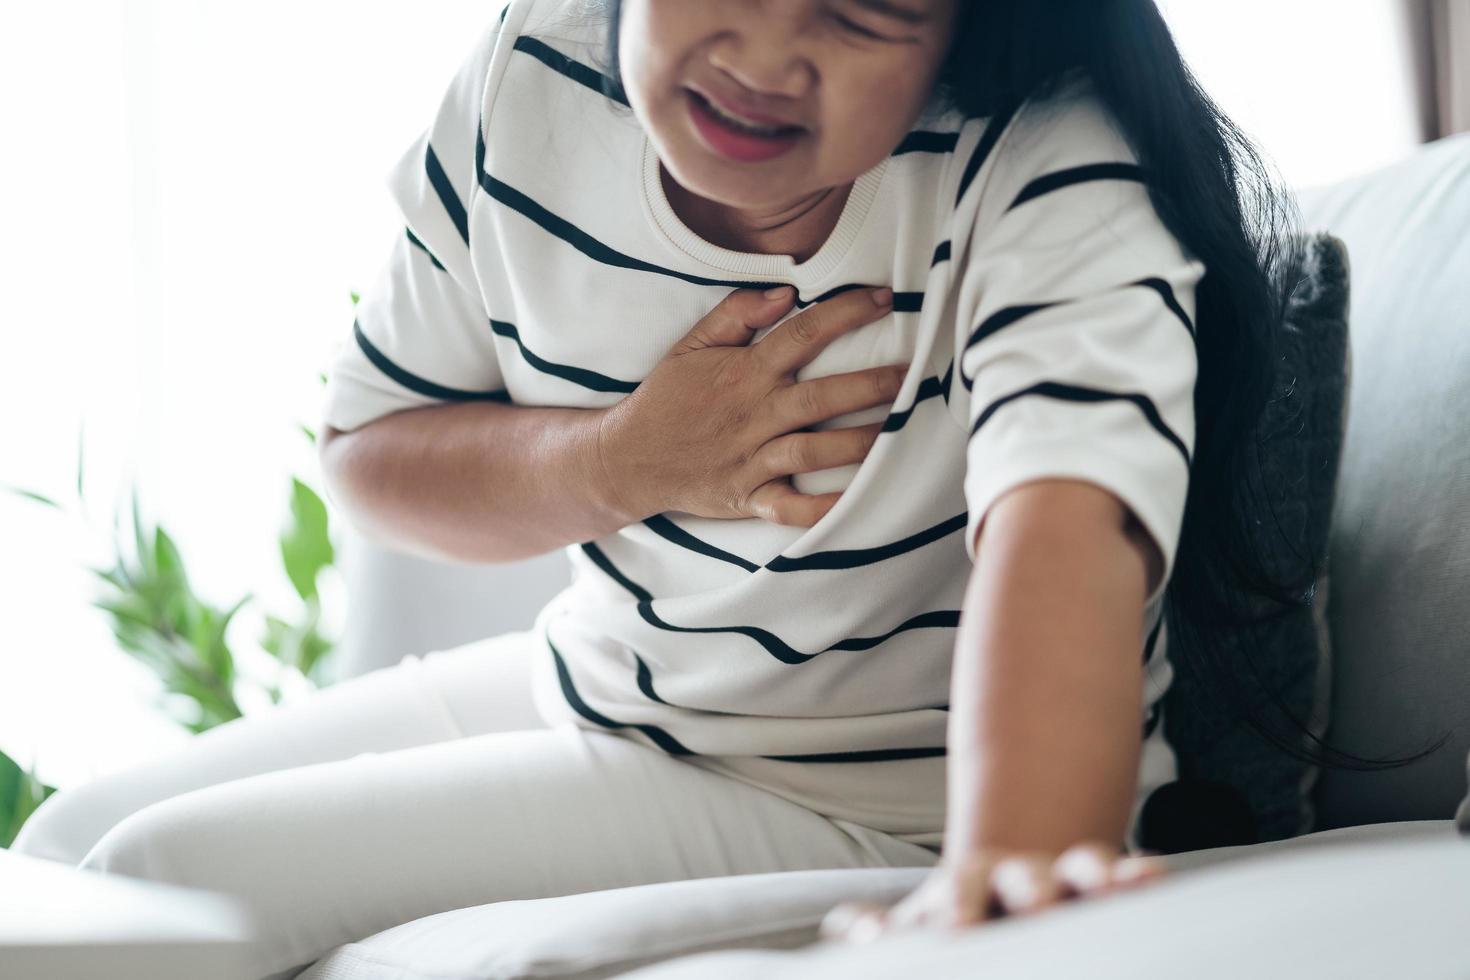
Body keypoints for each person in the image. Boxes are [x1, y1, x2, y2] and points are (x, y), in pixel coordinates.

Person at [12, 0, 1315, 973]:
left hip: (875, 800)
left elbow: (1064, 523)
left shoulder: (1050, 167)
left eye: (860, 12)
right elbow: (369, 445)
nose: (762, 51)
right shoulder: (539, 69)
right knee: (70, 847)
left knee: (153, 882)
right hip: (605, 685)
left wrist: (1009, 870)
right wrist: (626, 459)